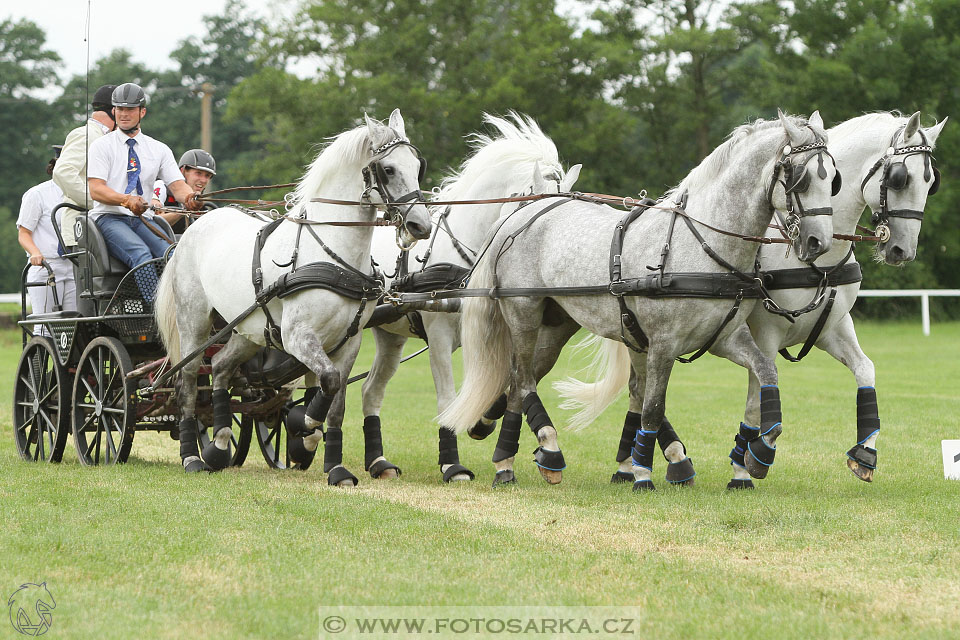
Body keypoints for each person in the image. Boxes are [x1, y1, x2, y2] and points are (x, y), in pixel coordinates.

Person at [86, 83, 201, 293]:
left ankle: (184, 302)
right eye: (119, 109)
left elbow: (177, 185)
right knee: (141, 254)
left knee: (172, 253)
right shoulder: (101, 146)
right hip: (109, 217)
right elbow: (96, 190)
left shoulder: (159, 149)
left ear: (142, 112)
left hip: (143, 219)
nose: (123, 114)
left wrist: (190, 198)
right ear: (113, 110)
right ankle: (155, 312)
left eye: (130, 109)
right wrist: (126, 200)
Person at [52, 84, 117, 247]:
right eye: (124, 111)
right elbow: (62, 172)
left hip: (102, 226)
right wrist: (98, 200)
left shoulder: (108, 139)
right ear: (114, 111)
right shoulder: (86, 135)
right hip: (83, 229)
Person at [16, 146, 77, 318]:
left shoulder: (82, 194)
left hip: (75, 265)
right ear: (56, 166)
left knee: (75, 325)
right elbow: (24, 233)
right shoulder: (37, 194)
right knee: (44, 324)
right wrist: (35, 253)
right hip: (46, 266)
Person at [151, 148, 217, 233]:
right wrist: (185, 211)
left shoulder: (201, 206)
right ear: (182, 171)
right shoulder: (161, 187)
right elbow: (154, 223)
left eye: (207, 176)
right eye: (198, 173)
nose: (203, 180)